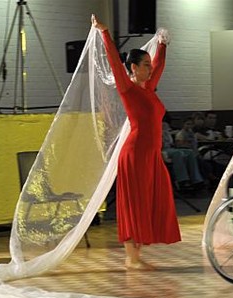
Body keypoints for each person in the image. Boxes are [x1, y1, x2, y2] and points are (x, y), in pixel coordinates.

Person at [92, 15, 181, 270]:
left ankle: (136, 255)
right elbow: (113, 62)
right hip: (135, 154)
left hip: (151, 155)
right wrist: (105, 33)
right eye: (145, 65)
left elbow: (160, 66)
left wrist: (162, 44)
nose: (150, 68)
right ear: (133, 68)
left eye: (149, 64)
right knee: (135, 204)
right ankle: (131, 257)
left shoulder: (148, 89)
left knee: (151, 201)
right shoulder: (127, 89)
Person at [162, 120, 204, 190]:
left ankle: (196, 180)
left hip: (170, 147)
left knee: (190, 152)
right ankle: (182, 180)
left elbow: (171, 142)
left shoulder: (165, 128)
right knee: (177, 153)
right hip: (162, 150)